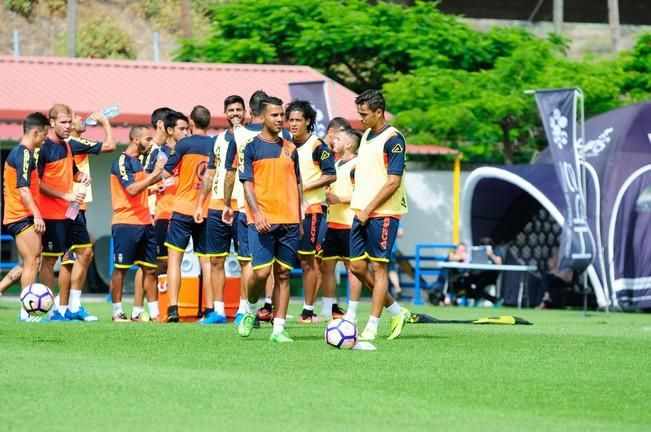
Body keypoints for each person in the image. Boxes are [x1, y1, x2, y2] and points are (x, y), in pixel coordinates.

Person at [237, 96, 302, 343]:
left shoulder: (290, 148)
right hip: (261, 219)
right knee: (262, 272)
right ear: (262, 117)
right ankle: (250, 311)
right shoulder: (251, 147)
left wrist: (300, 218)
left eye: (281, 115)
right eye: (274, 115)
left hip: (290, 220)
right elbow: (247, 185)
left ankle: (279, 328)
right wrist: (258, 213)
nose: (280, 119)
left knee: (284, 274)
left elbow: (298, 185)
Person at [349, 89, 410, 341]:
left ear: (378, 112)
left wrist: (367, 209)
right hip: (361, 211)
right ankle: (396, 310)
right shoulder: (365, 135)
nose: (360, 119)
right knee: (357, 267)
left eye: (364, 114)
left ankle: (372, 325)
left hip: (383, 213)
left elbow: (392, 182)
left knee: (379, 268)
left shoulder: (394, 139)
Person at [38, 104, 96, 322]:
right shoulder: (43, 147)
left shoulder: (67, 146)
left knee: (86, 253)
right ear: (52, 123)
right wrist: (64, 196)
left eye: (70, 122)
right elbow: (38, 183)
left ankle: (74, 306)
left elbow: (72, 172)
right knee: (49, 261)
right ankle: (50, 310)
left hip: (71, 213)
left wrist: (82, 176)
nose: (68, 126)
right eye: (63, 122)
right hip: (51, 214)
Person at [195, 96, 247, 324]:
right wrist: (200, 203)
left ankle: (244, 310)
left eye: (238, 109)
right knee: (216, 259)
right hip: (216, 207)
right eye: (231, 110)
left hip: (243, 206)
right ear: (225, 114)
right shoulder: (217, 140)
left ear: (245, 112)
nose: (235, 113)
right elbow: (210, 173)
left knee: (246, 260)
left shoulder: (253, 138)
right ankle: (218, 311)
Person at [57, 110, 116, 306]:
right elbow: (110, 146)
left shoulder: (71, 144)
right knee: (77, 256)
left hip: (74, 207)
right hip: (71, 207)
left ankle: (65, 305)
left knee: (69, 259)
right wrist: (104, 122)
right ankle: (68, 304)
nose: (83, 119)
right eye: (77, 118)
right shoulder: (74, 143)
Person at [285, 100, 337, 323]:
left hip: (311, 211)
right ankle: (273, 309)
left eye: (298, 120)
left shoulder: (317, 146)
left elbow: (331, 174)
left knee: (309, 262)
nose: (293, 124)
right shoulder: (285, 145)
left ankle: (308, 310)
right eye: (291, 120)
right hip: (286, 211)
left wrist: (303, 187)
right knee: (282, 262)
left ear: (308, 121)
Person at [162, 106, 213, 323]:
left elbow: (165, 173)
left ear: (191, 122)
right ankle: (210, 309)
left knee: (175, 259)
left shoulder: (184, 144)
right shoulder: (216, 144)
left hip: (183, 208)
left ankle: (173, 308)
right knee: (207, 261)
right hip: (207, 209)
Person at [109, 126, 165, 322]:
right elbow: (131, 190)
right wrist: (155, 175)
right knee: (121, 268)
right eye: (148, 139)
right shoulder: (122, 161)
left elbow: (142, 188)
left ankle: (155, 314)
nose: (151, 143)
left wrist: (158, 180)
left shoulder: (139, 163)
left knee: (150, 269)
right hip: (125, 223)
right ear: (135, 139)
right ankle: (117, 312)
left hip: (145, 223)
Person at [2, 112, 49, 322]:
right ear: (36, 132)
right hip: (21, 216)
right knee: (33, 260)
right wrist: (37, 214)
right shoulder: (24, 154)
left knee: (31, 261)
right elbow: (22, 188)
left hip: (18, 215)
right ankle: (27, 312)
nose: (46, 139)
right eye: (45, 134)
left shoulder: (21, 153)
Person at [131, 107, 173, 321]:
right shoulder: (150, 150)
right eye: (171, 125)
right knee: (148, 264)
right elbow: (140, 181)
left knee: (160, 264)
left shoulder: (165, 149)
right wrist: (151, 188)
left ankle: (155, 309)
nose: (173, 129)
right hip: (148, 213)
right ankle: (138, 310)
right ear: (160, 125)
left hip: (163, 214)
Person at [319, 127, 363, 322]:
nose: (333, 141)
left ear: (348, 144)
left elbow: (362, 195)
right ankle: (327, 310)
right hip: (333, 224)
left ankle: (351, 313)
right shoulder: (334, 165)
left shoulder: (357, 165)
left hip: (349, 224)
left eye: (337, 138)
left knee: (351, 268)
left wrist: (339, 198)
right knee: (326, 267)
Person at [147, 111, 188, 283]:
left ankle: (175, 305)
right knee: (157, 264)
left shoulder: (188, 152)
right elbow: (144, 183)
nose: (186, 133)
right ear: (170, 130)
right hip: (163, 214)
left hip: (185, 215)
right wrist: (157, 186)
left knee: (182, 264)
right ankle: (153, 306)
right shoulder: (158, 153)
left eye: (188, 129)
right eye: (182, 129)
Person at [465, 237, 503, 306]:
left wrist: (491, 255)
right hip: (480, 273)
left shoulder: (496, 250)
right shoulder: (478, 250)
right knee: (466, 279)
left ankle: (491, 300)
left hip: (491, 275)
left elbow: (499, 263)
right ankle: (491, 299)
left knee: (479, 285)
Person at [388, 222, 405, 299]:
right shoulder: (396, 219)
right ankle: (397, 287)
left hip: (381, 249)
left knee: (379, 271)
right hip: (392, 250)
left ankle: (378, 290)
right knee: (392, 270)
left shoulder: (380, 217)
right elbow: (401, 233)